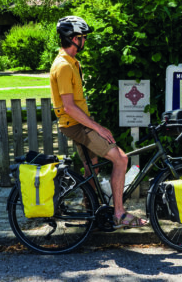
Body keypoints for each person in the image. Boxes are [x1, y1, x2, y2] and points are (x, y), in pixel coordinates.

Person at [50, 16, 147, 228]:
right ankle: (119, 214)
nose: (85, 41)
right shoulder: (64, 66)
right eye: (83, 37)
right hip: (77, 126)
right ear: (74, 38)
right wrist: (98, 128)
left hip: (78, 124)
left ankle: (91, 212)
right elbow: (68, 107)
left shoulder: (71, 63)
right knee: (121, 159)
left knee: (91, 167)